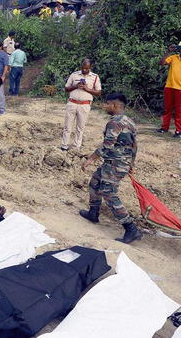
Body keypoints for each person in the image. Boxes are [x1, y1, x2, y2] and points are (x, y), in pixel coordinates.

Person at [80, 93, 141, 244]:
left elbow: (107, 145)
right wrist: (131, 163)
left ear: (114, 105)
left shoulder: (114, 123)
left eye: (107, 104)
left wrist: (91, 159)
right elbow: (134, 145)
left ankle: (131, 228)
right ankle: (93, 212)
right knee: (95, 182)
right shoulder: (130, 121)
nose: (104, 107)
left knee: (109, 192)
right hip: (119, 162)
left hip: (115, 163)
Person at [61, 58, 102, 151]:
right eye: (83, 68)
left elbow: (99, 92)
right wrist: (76, 86)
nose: (84, 70)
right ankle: (64, 146)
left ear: (90, 67)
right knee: (67, 126)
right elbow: (66, 88)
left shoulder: (95, 77)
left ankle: (76, 147)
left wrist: (87, 89)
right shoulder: (74, 75)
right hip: (72, 103)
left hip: (85, 105)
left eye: (87, 68)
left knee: (80, 128)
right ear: (81, 66)